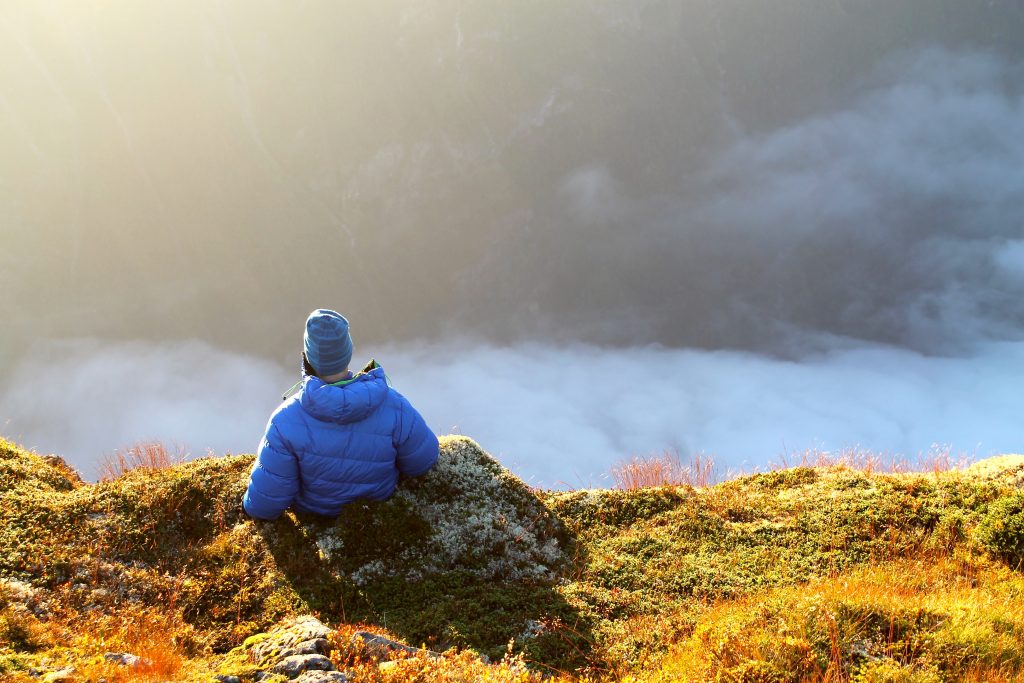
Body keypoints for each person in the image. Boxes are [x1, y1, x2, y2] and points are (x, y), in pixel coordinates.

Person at [242, 309, 439, 520]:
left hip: (317, 516)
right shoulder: (393, 404)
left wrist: (248, 509)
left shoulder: (284, 420)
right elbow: (423, 461)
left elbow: (267, 500)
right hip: (379, 511)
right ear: (348, 351)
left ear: (308, 357)